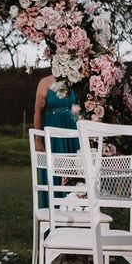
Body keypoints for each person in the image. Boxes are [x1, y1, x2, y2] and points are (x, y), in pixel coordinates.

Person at [33, 74, 79, 208]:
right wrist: (38, 139)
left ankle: (74, 211)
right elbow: (37, 112)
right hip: (53, 131)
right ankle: (52, 212)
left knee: (74, 170)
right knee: (54, 170)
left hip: (73, 130)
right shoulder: (45, 82)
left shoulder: (74, 80)